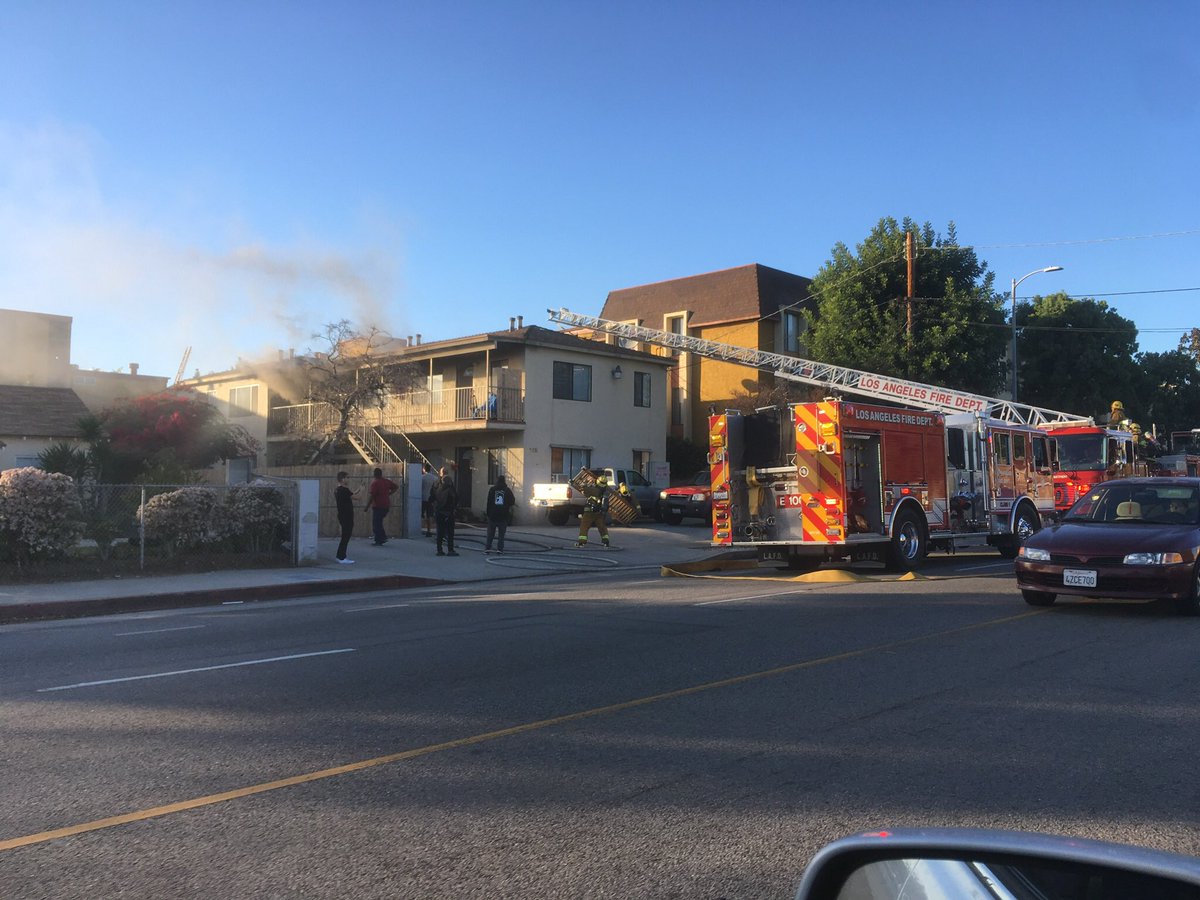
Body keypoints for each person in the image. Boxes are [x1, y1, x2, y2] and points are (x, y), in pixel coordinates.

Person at [576, 470, 611, 548]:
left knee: (584, 526)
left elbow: (584, 489)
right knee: (602, 527)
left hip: (590, 512)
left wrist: (585, 482)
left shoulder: (595, 490)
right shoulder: (606, 491)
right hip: (600, 513)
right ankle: (606, 542)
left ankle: (582, 542)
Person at [364, 467, 398, 546]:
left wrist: (367, 507)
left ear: (374, 474)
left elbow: (372, 496)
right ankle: (382, 538)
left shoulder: (375, 483)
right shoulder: (386, 481)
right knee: (378, 522)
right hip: (386, 505)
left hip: (378, 505)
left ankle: (380, 539)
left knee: (376, 524)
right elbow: (396, 487)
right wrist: (389, 493)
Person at [483, 474, 515, 553]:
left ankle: (487, 548)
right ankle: (499, 549)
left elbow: (489, 502)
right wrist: (506, 505)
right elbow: (512, 501)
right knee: (501, 535)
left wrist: (488, 514)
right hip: (503, 516)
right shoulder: (507, 490)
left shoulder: (492, 489)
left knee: (490, 534)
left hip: (493, 515)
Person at [432, 465, 459, 556]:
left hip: (439, 510)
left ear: (440, 473)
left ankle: (439, 550)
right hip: (448, 511)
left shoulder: (435, 483)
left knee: (440, 531)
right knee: (450, 532)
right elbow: (454, 497)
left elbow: (431, 496)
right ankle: (450, 550)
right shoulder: (450, 484)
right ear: (447, 473)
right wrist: (454, 508)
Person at [334, 471, 358, 564]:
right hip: (346, 516)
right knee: (346, 536)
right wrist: (362, 490)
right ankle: (341, 557)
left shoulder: (338, 490)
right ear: (343, 479)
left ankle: (340, 556)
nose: (348, 479)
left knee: (345, 536)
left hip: (342, 515)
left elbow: (351, 494)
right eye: (347, 477)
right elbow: (357, 497)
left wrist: (358, 489)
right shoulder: (344, 490)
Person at [420, 462, 438, 537]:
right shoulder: (435, 478)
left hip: (422, 498)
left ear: (424, 469)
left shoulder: (422, 477)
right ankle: (429, 530)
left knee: (421, 514)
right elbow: (436, 488)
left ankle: (419, 529)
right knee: (429, 515)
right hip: (430, 498)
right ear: (430, 469)